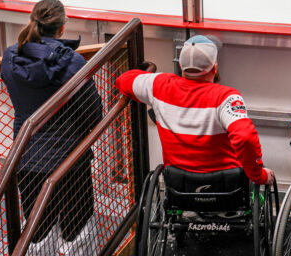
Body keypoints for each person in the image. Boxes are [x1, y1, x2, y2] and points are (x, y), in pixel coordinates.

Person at [0, 0, 101, 256]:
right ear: (62, 27)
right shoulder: (73, 63)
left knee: (37, 228)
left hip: (27, 157)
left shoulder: (10, 58)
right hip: (69, 158)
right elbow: (92, 112)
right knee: (77, 226)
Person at [116, 35, 274, 185]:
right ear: (214, 68)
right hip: (226, 187)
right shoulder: (226, 97)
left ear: (180, 65)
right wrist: (258, 175)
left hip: (179, 186)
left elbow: (123, 80)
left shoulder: (159, 85)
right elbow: (245, 137)